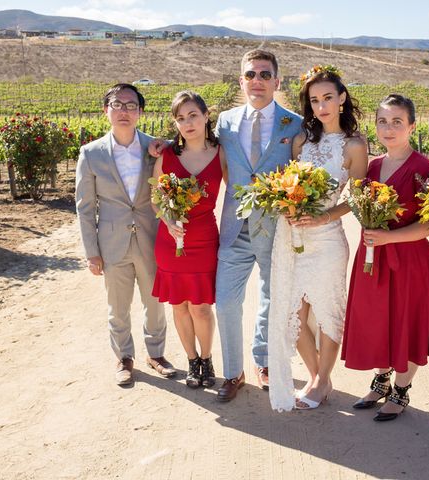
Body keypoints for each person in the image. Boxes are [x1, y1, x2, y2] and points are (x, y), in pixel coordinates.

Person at [268, 65, 368, 411]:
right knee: (292, 315)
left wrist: (325, 215)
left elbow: (356, 197)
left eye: (328, 97)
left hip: (327, 240)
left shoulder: (355, 145)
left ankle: (322, 380)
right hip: (296, 238)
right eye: (314, 100)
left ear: (341, 99)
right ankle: (316, 376)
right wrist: (286, 204)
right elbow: (290, 185)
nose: (322, 106)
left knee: (328, 312)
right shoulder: (301, 141)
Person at [341, 94, 429, 421]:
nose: (389, 128)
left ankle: (401, 390)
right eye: (383, 121)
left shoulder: (424, 168)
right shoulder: (372, 166)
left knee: (405, 322)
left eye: (397, 121)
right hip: (374, 257)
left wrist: (390, 237)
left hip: (409, 259)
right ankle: (381, 380)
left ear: (412, 125)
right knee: (378, 320)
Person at [214, 50, 303, 402]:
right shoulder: (225, 121)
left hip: (275, 228)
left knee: (271, 297)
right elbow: (216, 162)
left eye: (265, 75)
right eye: (251, 74)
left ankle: (263, 361)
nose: (258, 81)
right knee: (225, 302)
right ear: (241, 80)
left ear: (277, 82)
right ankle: (232, 371)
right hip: (235, 227)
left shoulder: (293, 124)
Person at [75, 83, 176, 386]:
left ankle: (156, 354)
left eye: (131, 105)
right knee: (117, 306)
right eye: (117, 104)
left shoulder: (156, 148)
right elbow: (85, 207)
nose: (124, 111)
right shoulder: (90, 154)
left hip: (150, 238)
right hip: (112, 243)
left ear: (141, 111)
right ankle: (123, 358)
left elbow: (175, 168)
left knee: (155, 302)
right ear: (106, 110)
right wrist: (92, 252)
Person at [151, 91, 226, 389]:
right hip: (170, 239)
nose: (187, 122)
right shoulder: (168, 155)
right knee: (179, 305)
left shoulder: (221, 153)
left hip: (205, 238)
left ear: (206, 116)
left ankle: (207, 360)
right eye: (180, 118)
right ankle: (191, 361)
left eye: (193, 115)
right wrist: (168, 222)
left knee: (201, 306)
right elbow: (154, 197)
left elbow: (235, 194)